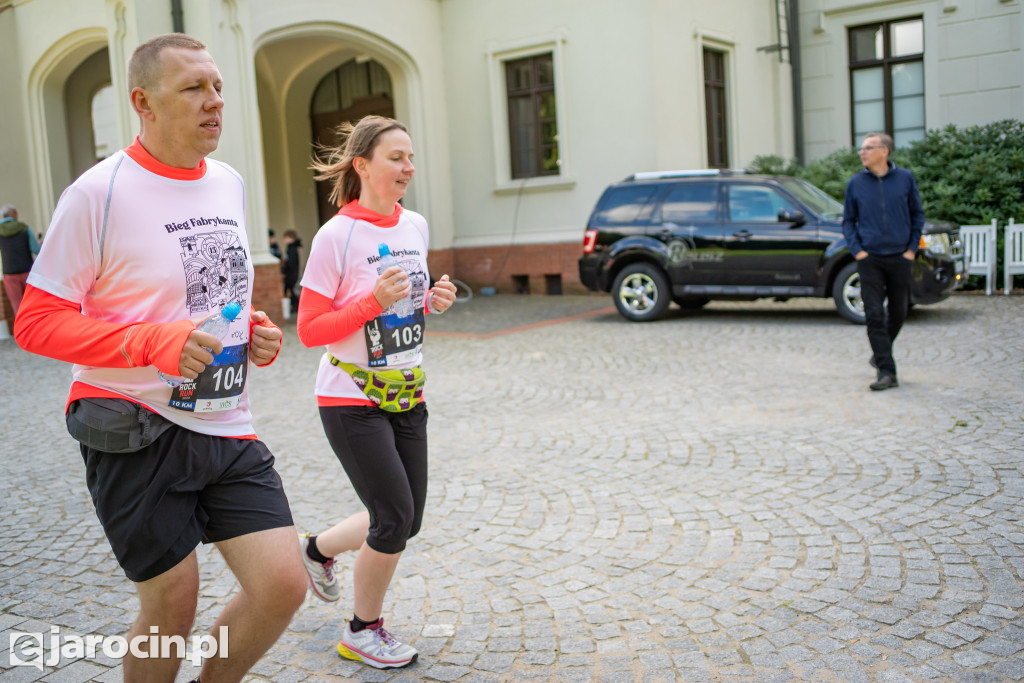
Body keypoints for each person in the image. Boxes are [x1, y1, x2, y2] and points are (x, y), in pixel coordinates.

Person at [14, 33, 307, 683]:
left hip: (224, 417)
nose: (214, 102)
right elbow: (34, 322)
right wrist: (151, 342)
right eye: (194, 88)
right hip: (134, 421)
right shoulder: (98, 194)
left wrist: (252, 329)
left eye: (218, 87)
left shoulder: (228, 182)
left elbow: (211, 295)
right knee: (172, 603)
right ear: (143, 102)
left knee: (283, 584)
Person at [295, 115, 457, 669]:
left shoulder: (415, 224)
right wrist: (371, 303)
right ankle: (363, 631)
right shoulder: (336, 235)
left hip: (407, 389)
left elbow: (407, 304)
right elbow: (310, 328)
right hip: (349, 396)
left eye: (410, 157)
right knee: (391, 517)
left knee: (406, 518)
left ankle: (316, 550)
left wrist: (432, 299)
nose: (408, 167)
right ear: (363, 165)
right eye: (396, 157)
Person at [842, 132, 924, 391]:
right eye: (862, 148)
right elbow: (847, 221)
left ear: (884, 151)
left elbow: (917, 215)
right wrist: (858, 252)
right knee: (874, 314)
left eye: (868, 148)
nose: (862, 152)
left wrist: (911, 250)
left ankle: (880, 352)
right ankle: (887, 372)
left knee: (899, 312)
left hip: (900, 257)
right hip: (870, 259)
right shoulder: (856, 183)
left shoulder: (905, 179)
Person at [0, 204, 41, 317]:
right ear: (14, 214)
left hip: (9, 273)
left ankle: (21, 332)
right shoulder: (24, 228)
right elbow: (36, 250)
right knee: (31, 302)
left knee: (16, 303)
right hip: (27, 271)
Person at [281, 229, 302, 313]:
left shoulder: (292, 249)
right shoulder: (290, 248)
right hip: (291, 273)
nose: (284, 240)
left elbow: (290, 263)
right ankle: (295, 306)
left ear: (291, 238)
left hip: (292, 274)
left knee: (292, 290)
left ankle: (296, 306)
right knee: (290, 290)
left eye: (286, 238)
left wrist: (284, 270)